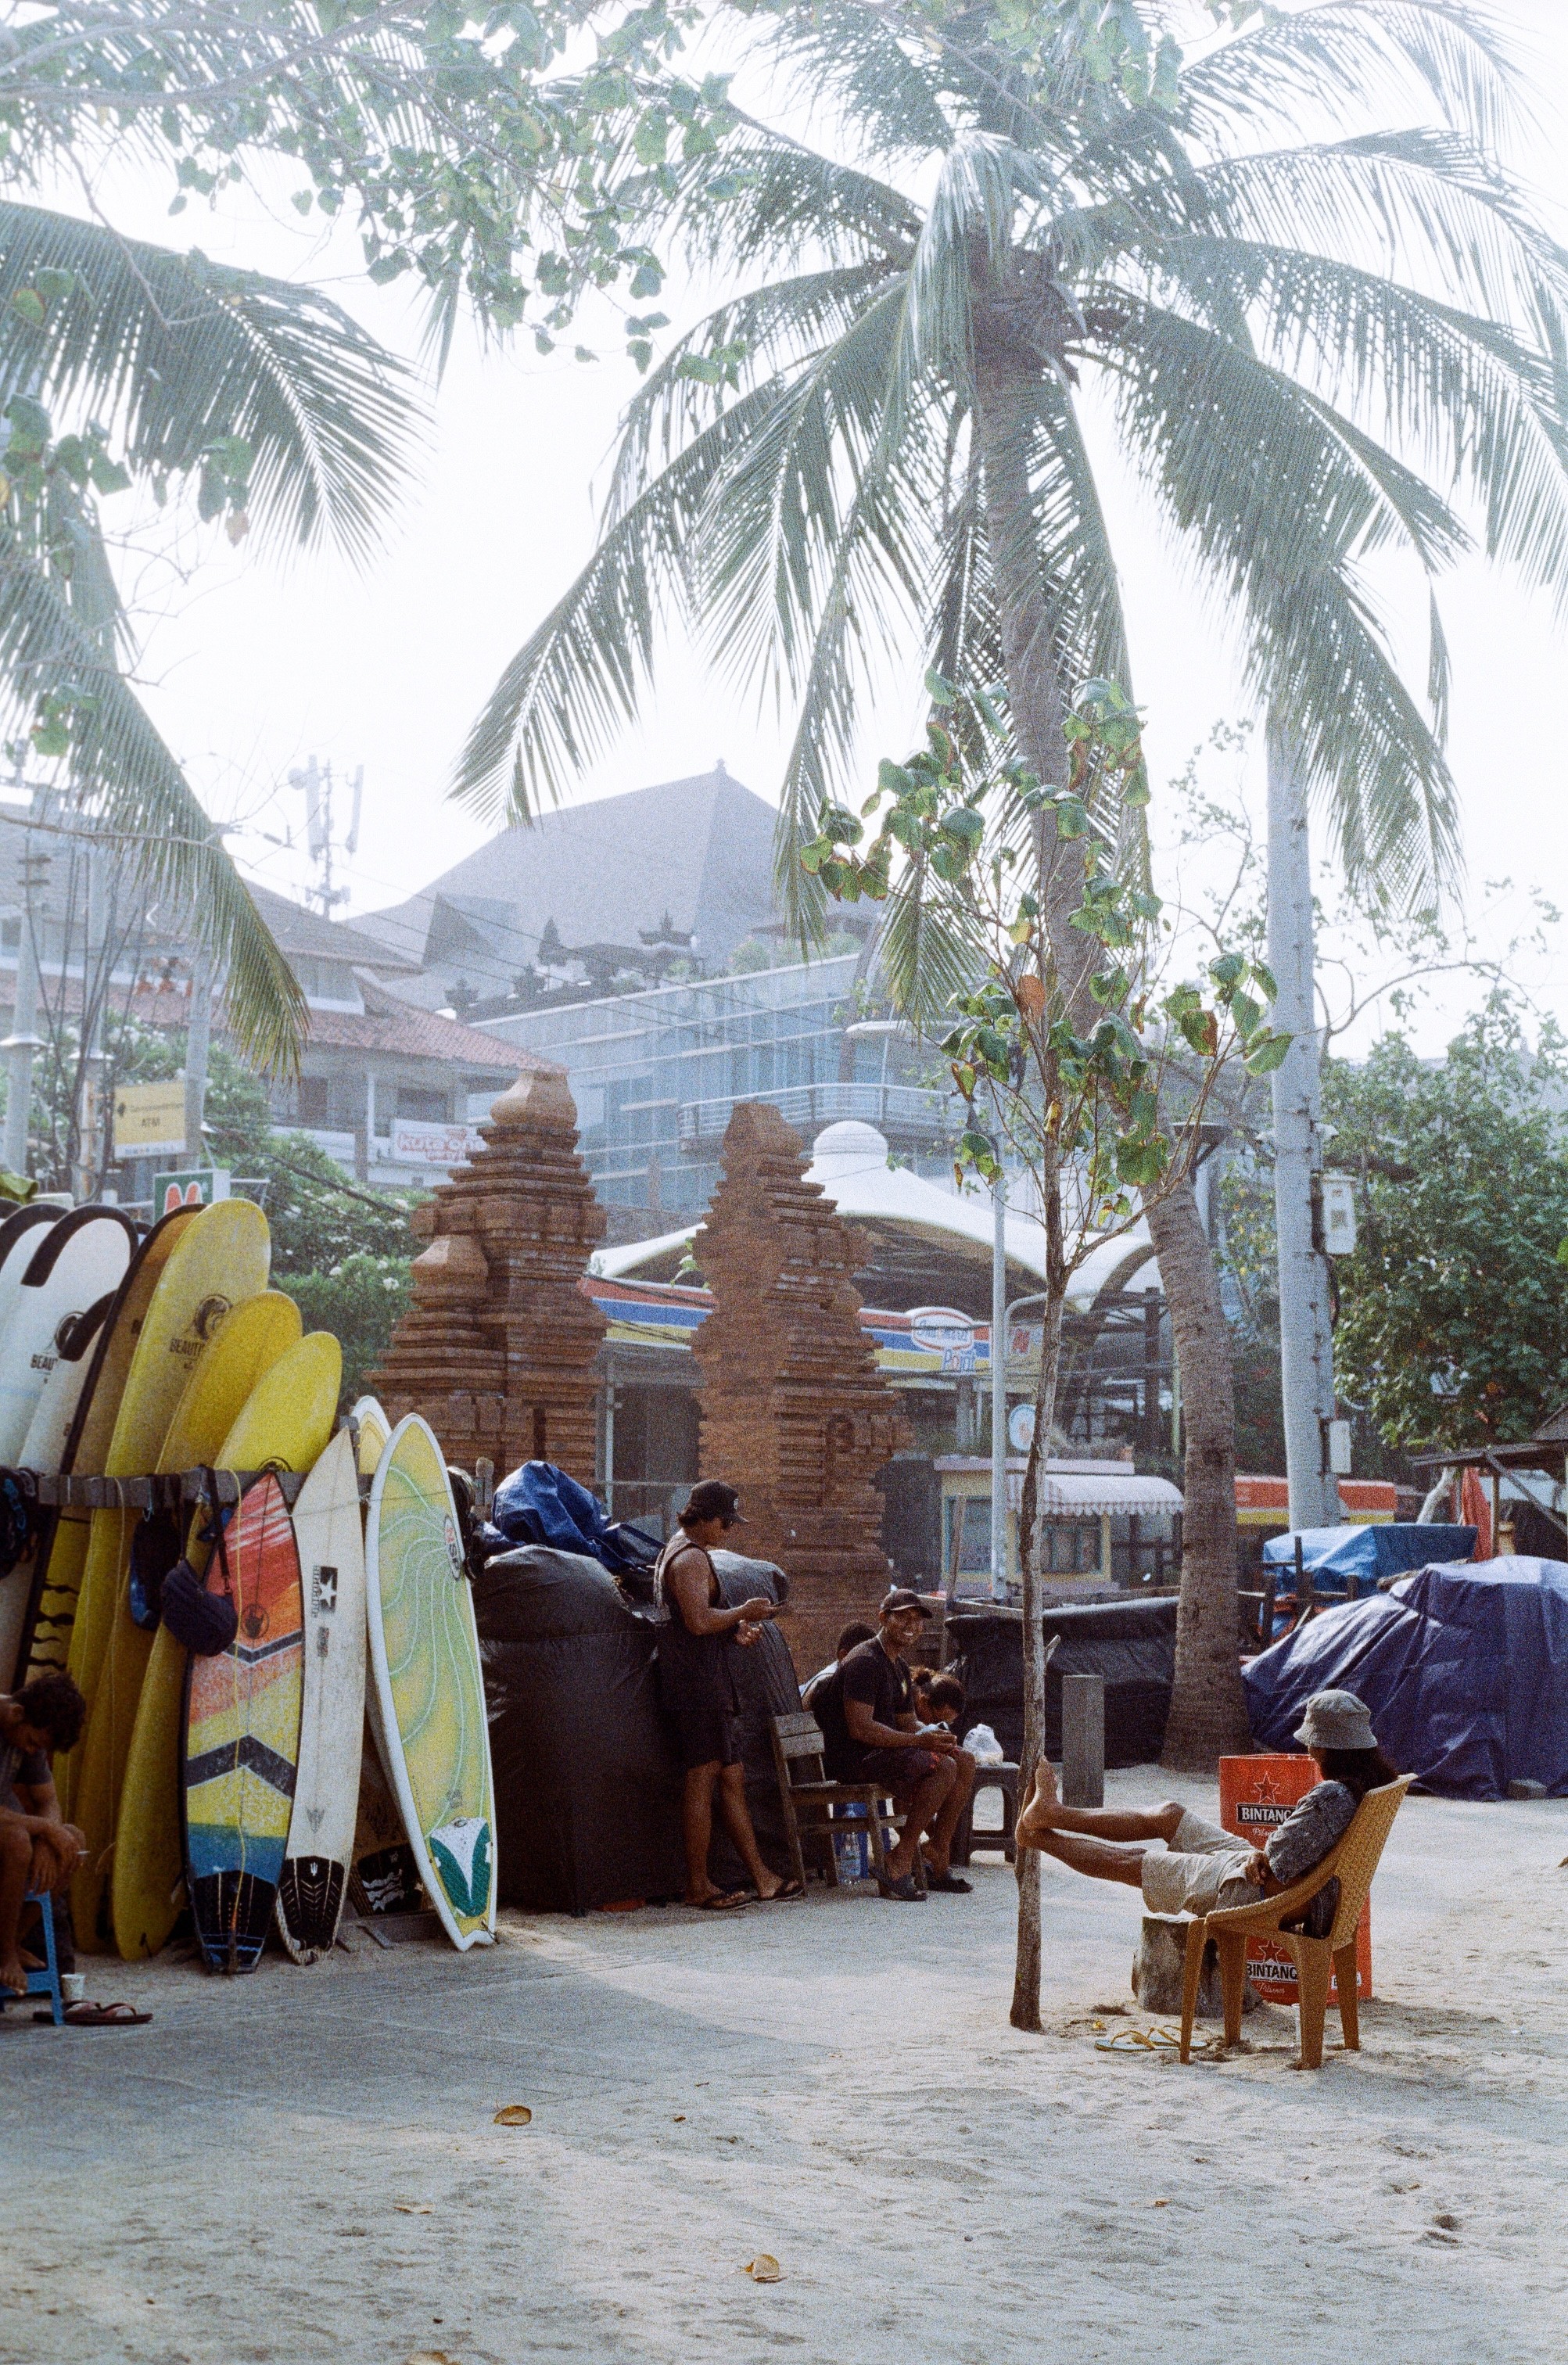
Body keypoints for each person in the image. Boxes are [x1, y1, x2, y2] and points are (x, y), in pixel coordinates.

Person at [1014, 1689, 1398, 1936]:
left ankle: (1036, 1836)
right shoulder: (1372, 1785)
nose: (1311, 1753)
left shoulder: (1332, 1795)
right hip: (1283, 1882)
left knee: (1139, 1862)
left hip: (1265, 1893)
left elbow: (1279, 1858)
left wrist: (1261, 1856)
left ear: (1332, 1748)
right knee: (1170, 1814)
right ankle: (1056, 1814)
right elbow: (1285, 1854)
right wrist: (1261, 1855)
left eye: (1315, 1745)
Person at [654, 1480, 802, 1911]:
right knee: (702, 1780)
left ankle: (763, 1876)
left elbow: (693, 1624)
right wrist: (744, 1612)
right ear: (704, 1517)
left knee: (732, 1777)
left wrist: (735, 1631)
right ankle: (699, 1884)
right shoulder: (691, 1558)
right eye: (725, 1522)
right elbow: (699, 1622)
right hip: (697, 1690)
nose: (728, 1532)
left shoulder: (676, 1551)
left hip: (707, 1683)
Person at [839, 1589, 976, 1900]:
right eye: (903, 1617)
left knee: (963, 1758)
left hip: (884, 1752)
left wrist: (934, 1735)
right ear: (883, 1618)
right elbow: (860, 1728)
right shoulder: (864, 1661)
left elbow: (906, 1721)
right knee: (943, 1767)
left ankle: (938, 1853)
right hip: (857, 1758)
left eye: (917, 1620)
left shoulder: (898, 1666)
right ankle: (899, 1860)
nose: (911, 1625)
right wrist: (919, 1740)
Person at [2, 1671, 88, 2001]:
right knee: (18, 1840)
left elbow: (48, 1801)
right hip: (8, 1833)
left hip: (10, 1826)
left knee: (71, 1840)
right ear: (19, 1714)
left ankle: (12, 1942)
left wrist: (48, 1840)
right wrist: (43, 1830)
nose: (31, 1749)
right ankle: (6, 1952)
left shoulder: (28, 1728)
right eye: (34, 1742)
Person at [801, 1620, 877, 1779]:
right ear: (843, 1655)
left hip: (829, 1758)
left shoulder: (849, 1679)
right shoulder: (828, 1681)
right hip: (815, 1764)